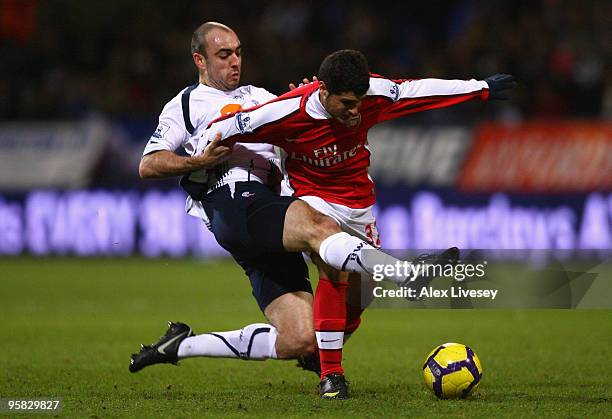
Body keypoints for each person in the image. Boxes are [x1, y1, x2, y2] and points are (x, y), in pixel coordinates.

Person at [131, 23, 450, 395]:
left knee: (300, 338)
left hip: (271, 208)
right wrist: (196, 160)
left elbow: (292, 127)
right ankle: (406, 275)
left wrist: (309, 101)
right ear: (199, 60)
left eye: (238, 52)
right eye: (223, 55)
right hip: (235, 202)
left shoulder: (260, 96)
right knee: (321, 226)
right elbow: (148, 164)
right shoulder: (186, 104)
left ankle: (179, 345)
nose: (235, 61)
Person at [192, 49, 516, 399]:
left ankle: (318, 353)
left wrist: (480, 88)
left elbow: (418, 92)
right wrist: (199, 169)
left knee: (363, 291)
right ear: (323, 91)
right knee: (333, 270)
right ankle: (332, 376)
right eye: (346, 103)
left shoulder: (373, 95)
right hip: (314, 199)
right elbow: (226, 127)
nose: (355, 111)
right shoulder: (288, 112)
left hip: (359, 202)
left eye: (359, 102)